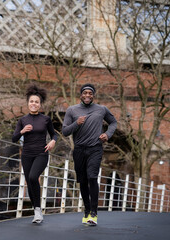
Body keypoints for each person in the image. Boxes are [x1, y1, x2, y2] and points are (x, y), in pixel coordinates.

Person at [62, 83, 117, 226]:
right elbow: (65, 131)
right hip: (79, 149)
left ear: (93, 95)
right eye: (85, 93)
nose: (87, 95)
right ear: (81, 94)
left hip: (95, 148)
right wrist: (77, 123)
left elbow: (113, 122)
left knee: (92, 177)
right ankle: (86, 211)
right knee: (83, 180)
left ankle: (94, 212)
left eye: (90, 93)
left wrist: (107, 134)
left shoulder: (102, 109)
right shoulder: (72, 110)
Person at [12, 84, 57, 224]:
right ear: (28, 103)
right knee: (30, 181)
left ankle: (37, 210)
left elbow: (54, 134)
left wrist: (53, 142)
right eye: (31, 101)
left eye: (36, 102)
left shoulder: (45, 119)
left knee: (33, 177)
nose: (34, 104)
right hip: (26, 154)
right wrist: (22, 131)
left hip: (41, 153)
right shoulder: (22, 120)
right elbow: (14, 138)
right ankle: (37, 210)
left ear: (40, 104)